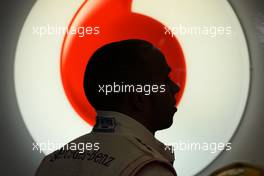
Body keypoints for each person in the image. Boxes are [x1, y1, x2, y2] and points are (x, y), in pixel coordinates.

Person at [35, 39, 180, 176]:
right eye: (165, 80)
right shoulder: (149, 169)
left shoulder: (52, 162)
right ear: (139, 99)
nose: (175, 87)